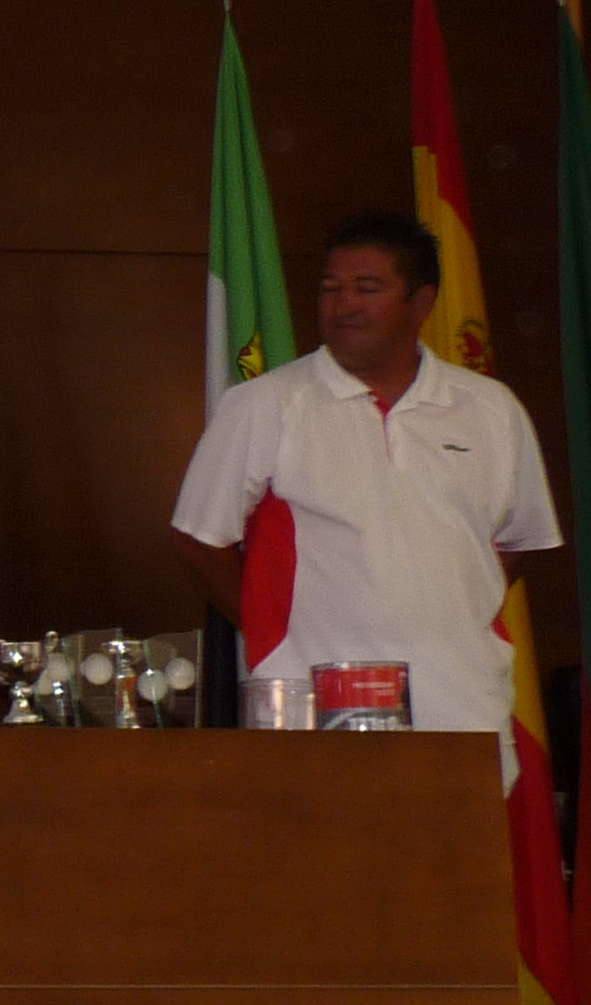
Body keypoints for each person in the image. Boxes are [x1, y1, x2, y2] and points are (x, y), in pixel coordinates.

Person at [173, 211, 558, 741]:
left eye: (367, 288)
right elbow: (199, 539)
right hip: (314, 700)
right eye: (331, 288)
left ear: (421, 303)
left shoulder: (490, 408)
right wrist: (277, 632)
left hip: (462, 701)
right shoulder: (266, 403)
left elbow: (519, 542)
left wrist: (436, 607)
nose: (344, 304)